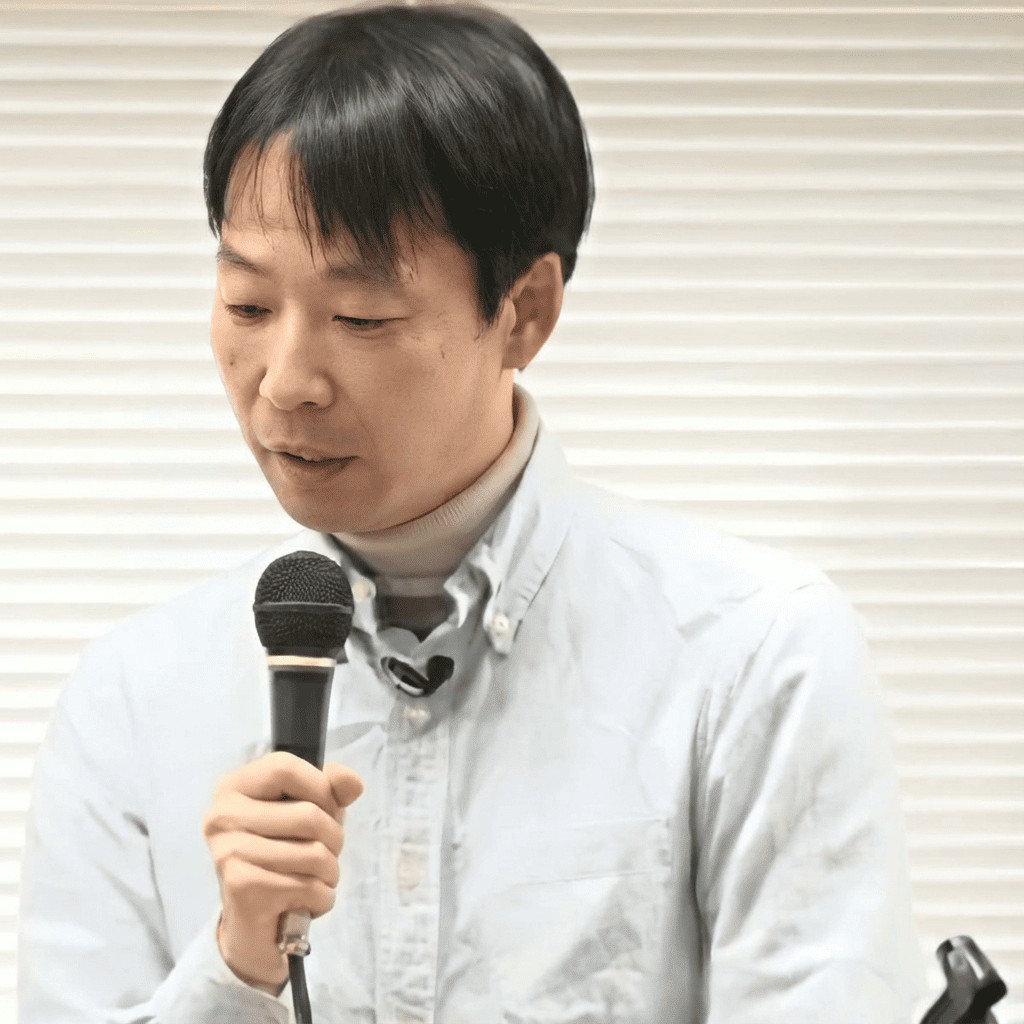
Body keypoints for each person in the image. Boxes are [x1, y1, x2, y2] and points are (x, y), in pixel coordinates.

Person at [17, 3, 930, 1022]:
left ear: (524, 312)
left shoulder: (754, 657)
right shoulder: (131, 698)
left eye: (361, 316)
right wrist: (235, 968)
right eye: (247, 306)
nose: (284, 381)